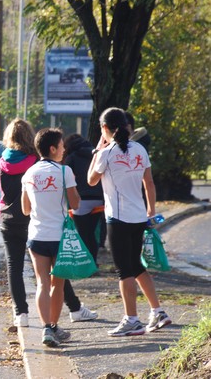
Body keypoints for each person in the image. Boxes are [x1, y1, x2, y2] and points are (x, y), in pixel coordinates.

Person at [88, 107, 171, 337]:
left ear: (105, 129)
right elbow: (150, 184)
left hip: (117, 218)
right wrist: (151, 212)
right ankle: (158, 311)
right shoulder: (140, 149)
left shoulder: (106, 154)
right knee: (136, 266)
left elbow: (91, 180)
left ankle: (132, 320)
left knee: (124, 271)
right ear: (125, 125)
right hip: (139, 217)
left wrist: (97, 150)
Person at [21, 128, 80, 347]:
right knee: (58, 284)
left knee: (42, 283)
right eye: (62, 145)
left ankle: (47, 327)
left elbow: (25, 209)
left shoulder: (29, 173)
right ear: (53, 149)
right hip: (60, 237)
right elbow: (75, 204)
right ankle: (53, 327)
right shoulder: (65, 172)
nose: (64, 149)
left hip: (37, 236)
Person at [0, 119, 39, 327]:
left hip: (8, 218)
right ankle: (73, 307)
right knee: (48, 265)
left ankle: (20, 313)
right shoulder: (35, 160)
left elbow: (2, 190)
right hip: (32, 218)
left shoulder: (3, 160)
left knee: (14, 267)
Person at [63, 133, 105, 264]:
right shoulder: (96, 155)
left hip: (81, 200)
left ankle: (85, 263)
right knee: (92, 233)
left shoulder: (72, 157)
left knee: (82, 234)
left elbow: (66, 178)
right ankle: (93, 261)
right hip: (99, 199)